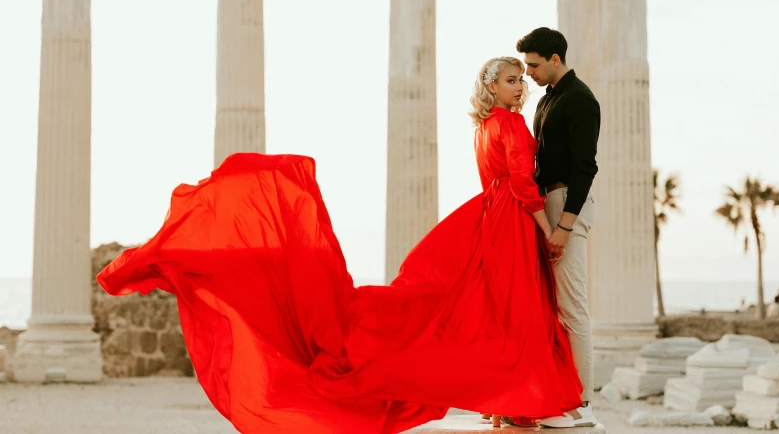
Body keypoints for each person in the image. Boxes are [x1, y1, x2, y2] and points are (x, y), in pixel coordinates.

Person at [97, 57, 583, 434]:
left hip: (484, 217)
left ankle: (502, 406)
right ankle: (517, 403)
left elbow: (499, 179)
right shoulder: (513, 125)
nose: (521, 86)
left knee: (482, 309)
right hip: (511, 221)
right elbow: (522, 184)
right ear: (492, 87)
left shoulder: (483, 128)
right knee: (513, 311)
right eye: (512, 79)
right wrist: (550, 231)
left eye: (522, 78)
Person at [517, 27, 601, 428]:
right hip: (547, 202)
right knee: (553, 309)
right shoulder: (548, 100)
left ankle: (581, 403)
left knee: (572, 307)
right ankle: (558, 393)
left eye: (533, 65)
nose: (527, 73)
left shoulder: (581, 100)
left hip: (566, 204)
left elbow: (586, 166)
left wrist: (564, 226)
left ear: (555, 59)